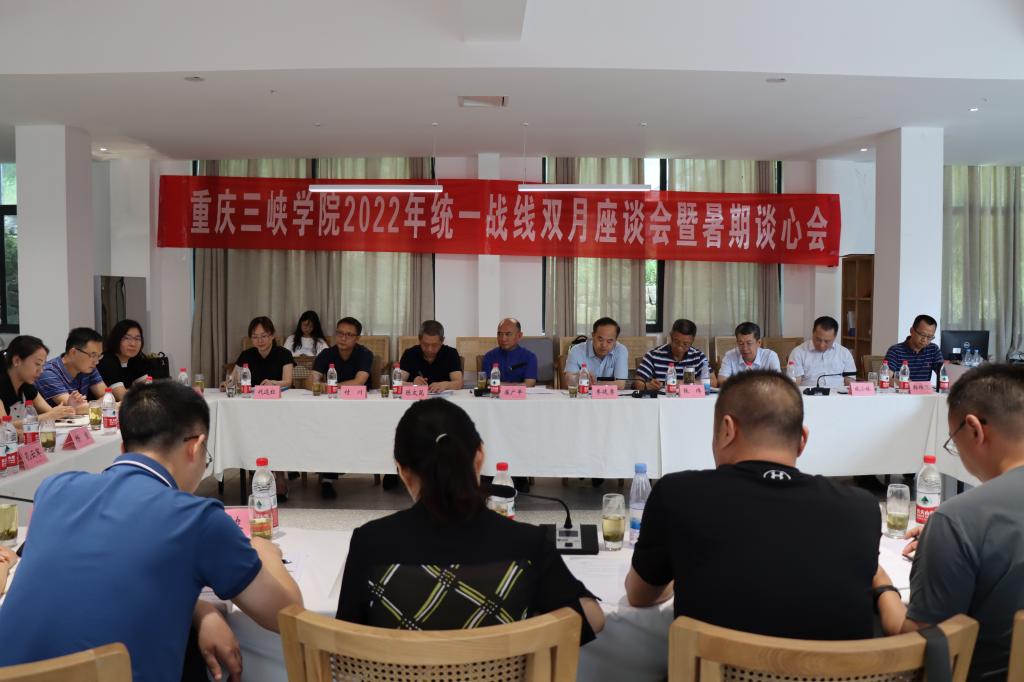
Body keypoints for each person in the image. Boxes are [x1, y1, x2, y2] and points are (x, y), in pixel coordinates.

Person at [0, 381, 303, 682]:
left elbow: (103, 578)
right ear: (195, 447)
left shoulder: (54, 489)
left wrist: (201, 610)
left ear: (123, 447)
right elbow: (287, 614)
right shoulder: (197, 519)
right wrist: (265, 552)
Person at [625, 370, 880, 640]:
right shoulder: (861, 508)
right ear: (802, 440)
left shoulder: (676, 494)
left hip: (713, 664)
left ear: (727, 430)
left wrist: (680, 567)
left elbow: (639, 595)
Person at [336, 398, 604, 643]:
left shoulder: (370, 543)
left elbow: (345, 642)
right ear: (480, 457)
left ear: (402, 470)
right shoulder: (527, 543)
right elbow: (592, 620)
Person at [875, 364, 1024, 680]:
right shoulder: (960, 523)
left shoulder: (958, 520)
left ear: (974, 430)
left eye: (953, 441)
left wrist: (881, 584)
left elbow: (918, 645)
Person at [312, 317, 374, 499]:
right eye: (340, 333)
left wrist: (330, 387)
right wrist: (317, 384)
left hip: (360, 408)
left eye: (349, 335)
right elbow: (311, 381)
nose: (343, 338)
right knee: (326, 430)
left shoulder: (364, 353)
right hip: (332, 408)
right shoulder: (326, 354)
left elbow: (359, 381)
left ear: (357, 338)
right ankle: (327, 480)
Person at [0, 336, 75, 422]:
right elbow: (3, 425)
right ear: (16, 361)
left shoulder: (26, 385)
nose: (41, 371)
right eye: (37, 364)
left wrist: (69, 409)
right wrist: (48, 416)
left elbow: (50, 412)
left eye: (43, 365)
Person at [35, 327, 111, 407]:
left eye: (99, 356)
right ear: (73, 352)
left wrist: (93, 404)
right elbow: (74, 407)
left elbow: (107, 397)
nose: (96, 361)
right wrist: (100, 404)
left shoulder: (89, 368)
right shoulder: (48, 373)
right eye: (93, 355)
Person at [635, 318, 713, 390]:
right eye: (676, 342)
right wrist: (647, 386)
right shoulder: (653, 355)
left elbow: (713, 382)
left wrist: (687, 383)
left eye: (685, 344)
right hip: (663, 399)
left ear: (692, 341)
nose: (679, 348)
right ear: (671, 336)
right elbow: (637, 382)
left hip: (690, 399)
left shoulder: (698, 357)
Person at [788, 316, 857, 389]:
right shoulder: (798, 352)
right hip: (808, 394)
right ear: (813, 332)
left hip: (838, 394)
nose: (822, 345)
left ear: (835, 337)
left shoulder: (844, 353)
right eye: (818, 340)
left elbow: (850, 381)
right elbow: (794, 384)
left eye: (827, 341)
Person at [397, 320, 464, 394]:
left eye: (434, 345)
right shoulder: (410, 354)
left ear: (442, 341)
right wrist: (413, 384)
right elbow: (397, 383)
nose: (429, 349)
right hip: (416, 398)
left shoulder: (451, 353)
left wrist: (445, 385)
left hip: (444, 400)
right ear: (419, 339)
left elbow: (459, 383)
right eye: (425, 344)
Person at [563, 317, 629, 390]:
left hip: (609, 397)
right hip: (583, 395)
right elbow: (567, 382)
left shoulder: (620, 350)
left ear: (616, 340)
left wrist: (589, 383)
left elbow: (620, 384)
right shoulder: (576, 350)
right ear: (593, 335)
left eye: (609, 341)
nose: (604, 345)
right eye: (600, 339)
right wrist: (576, 378)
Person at [231, 316, 294, 388]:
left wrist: (273, 383)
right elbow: (233, 379)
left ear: (272, 335)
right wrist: (226, 384)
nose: (260, 341)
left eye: (263, 336)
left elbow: (288, 382)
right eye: (255, 337)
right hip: (253, 394)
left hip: (280, 394)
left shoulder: (285, 354)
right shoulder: (246, 355)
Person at [97, 319, 150, 401]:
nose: (133, 344)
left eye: (137, 339)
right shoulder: (107, 361)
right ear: (116, 339)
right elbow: (122, 396)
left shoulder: (135, 359)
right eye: (127, 338)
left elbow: (149, 389)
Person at [884, 314, 944, 381]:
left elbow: (943, 374)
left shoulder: (933, 349)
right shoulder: (895, 351)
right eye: (922, 334)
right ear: (912, 330)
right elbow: (886, 378)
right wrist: (905, 383)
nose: (924, 340)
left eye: (929, 337)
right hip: (902, 387)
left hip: (924, 388)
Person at [481, 318, 538, 387]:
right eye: (500, 334)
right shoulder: (489, 356)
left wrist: (500, 385)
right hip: (495, 393)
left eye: (508, 334)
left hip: (521, 394)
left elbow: (529, 383)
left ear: (519, 336)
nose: (503, 339)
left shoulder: (529, 357)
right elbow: (487, 382)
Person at [717, 322, 781, 382]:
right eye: (741, 343)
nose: (745, 348)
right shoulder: (730, 356)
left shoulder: (770, 356)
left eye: (749, 343)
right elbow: (722, 380)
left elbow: (778, 381)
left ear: (759, 343)